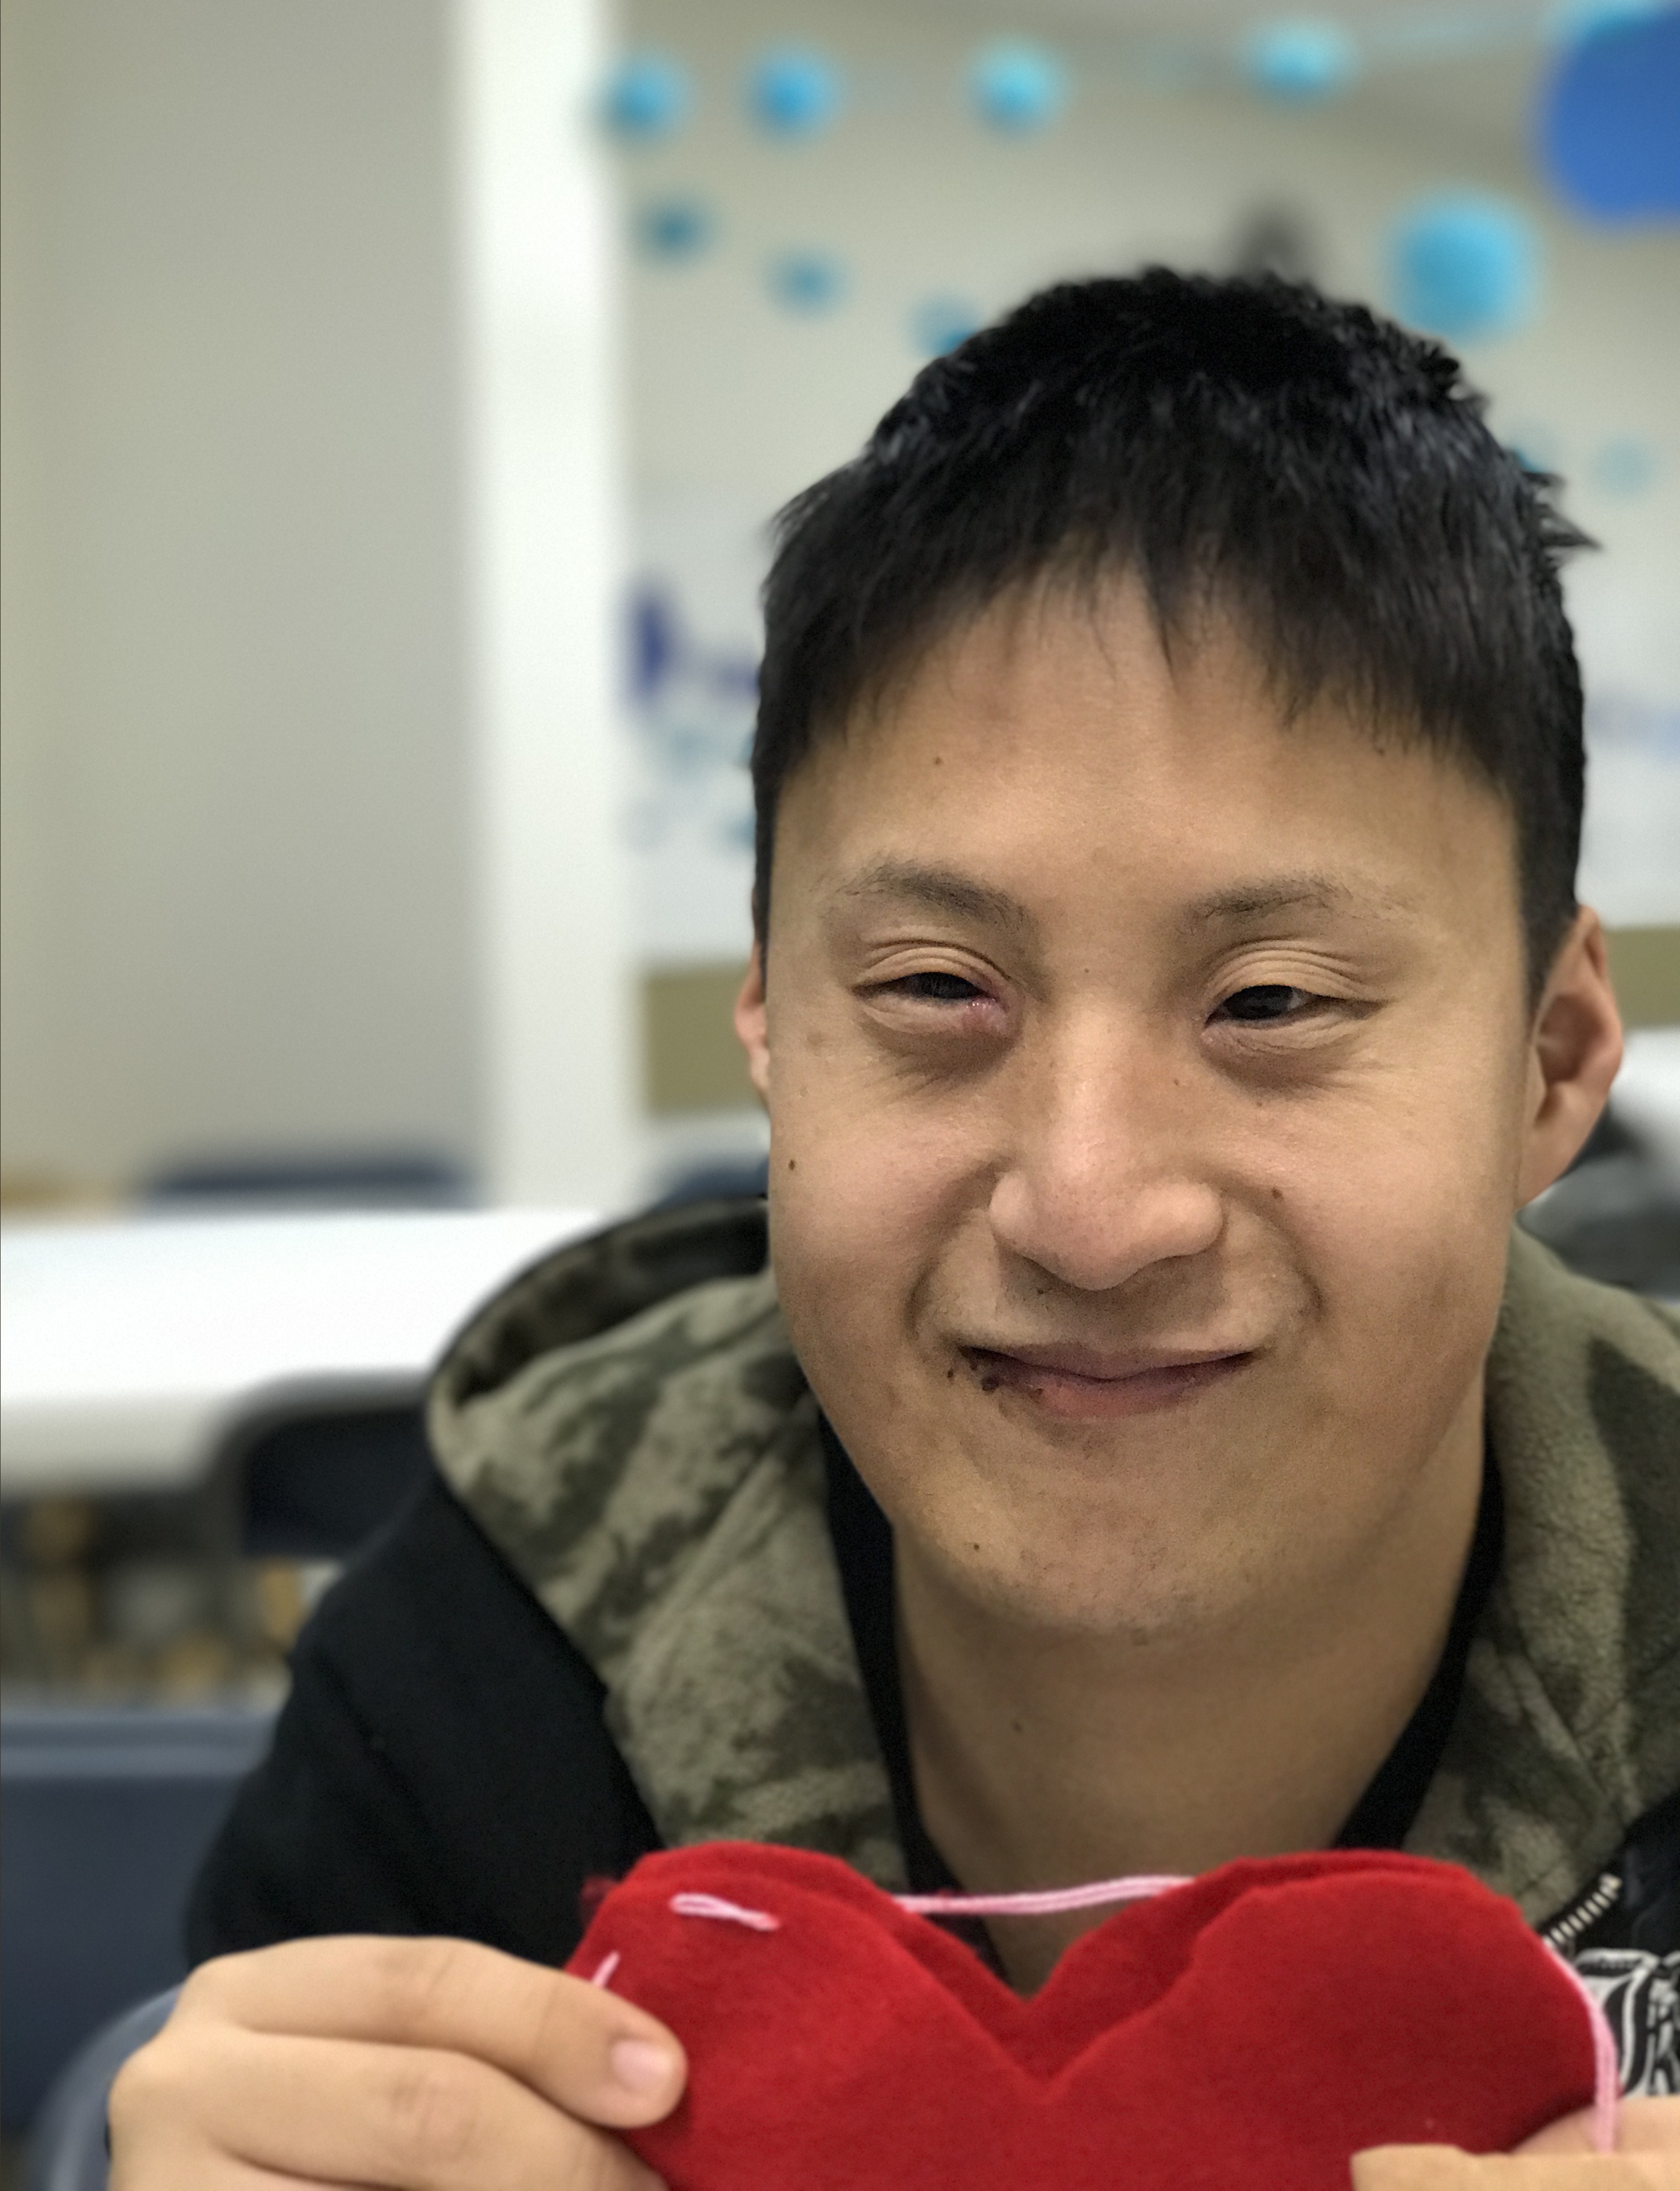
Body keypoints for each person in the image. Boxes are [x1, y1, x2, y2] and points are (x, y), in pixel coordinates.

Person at [111, 271, 1678, 2187]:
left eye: (1271, 1004)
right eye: (938, 989)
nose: (1089, 1210)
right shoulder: (505, 1657)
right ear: (774, 1025)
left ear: (1552, 1059)